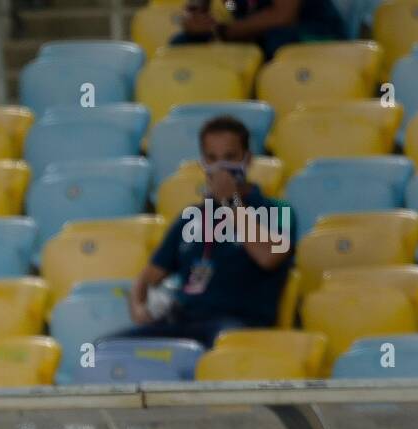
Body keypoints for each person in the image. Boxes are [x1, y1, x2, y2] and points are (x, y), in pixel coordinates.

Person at [110, 116, 295, 349]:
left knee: (221, 344)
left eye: (229, 158)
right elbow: (147, 278)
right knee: (109, 349)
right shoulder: (191, 217)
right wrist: (138, 306)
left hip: (238, 326)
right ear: (202, 162)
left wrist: (231, 202)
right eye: (212, 158)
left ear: (247, 160)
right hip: (182, 322)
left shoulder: (278, 211)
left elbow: (268, 257)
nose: (220, 167)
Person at [173, 0, 345, 60]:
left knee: (277, 40)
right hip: (251, 34)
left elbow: (283, 16)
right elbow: (195, 8)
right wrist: (192, 21)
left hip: (312, 34)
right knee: (182, 42)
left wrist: (224, 31)